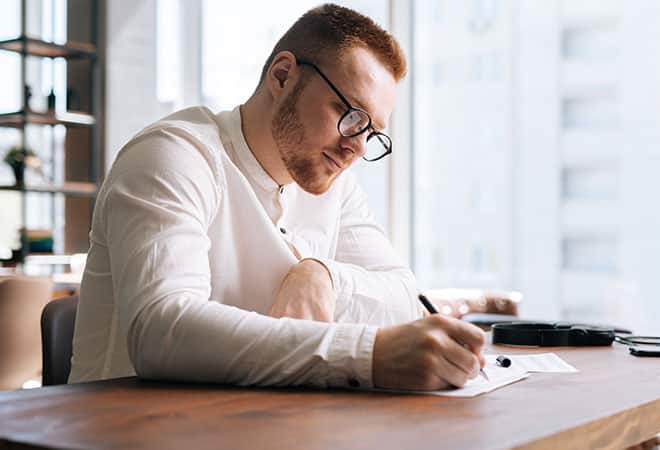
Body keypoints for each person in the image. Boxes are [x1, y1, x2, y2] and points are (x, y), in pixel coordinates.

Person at [68, 3, 486, 391]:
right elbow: (162, 330)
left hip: (252, 426)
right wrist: (367, 356)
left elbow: (402, 296)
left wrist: (323, 277)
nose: (357, 148)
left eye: (371, 132)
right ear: (282, 76)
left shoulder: (334, 186)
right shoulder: (173, 155)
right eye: (351, 116)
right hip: (126, 434)